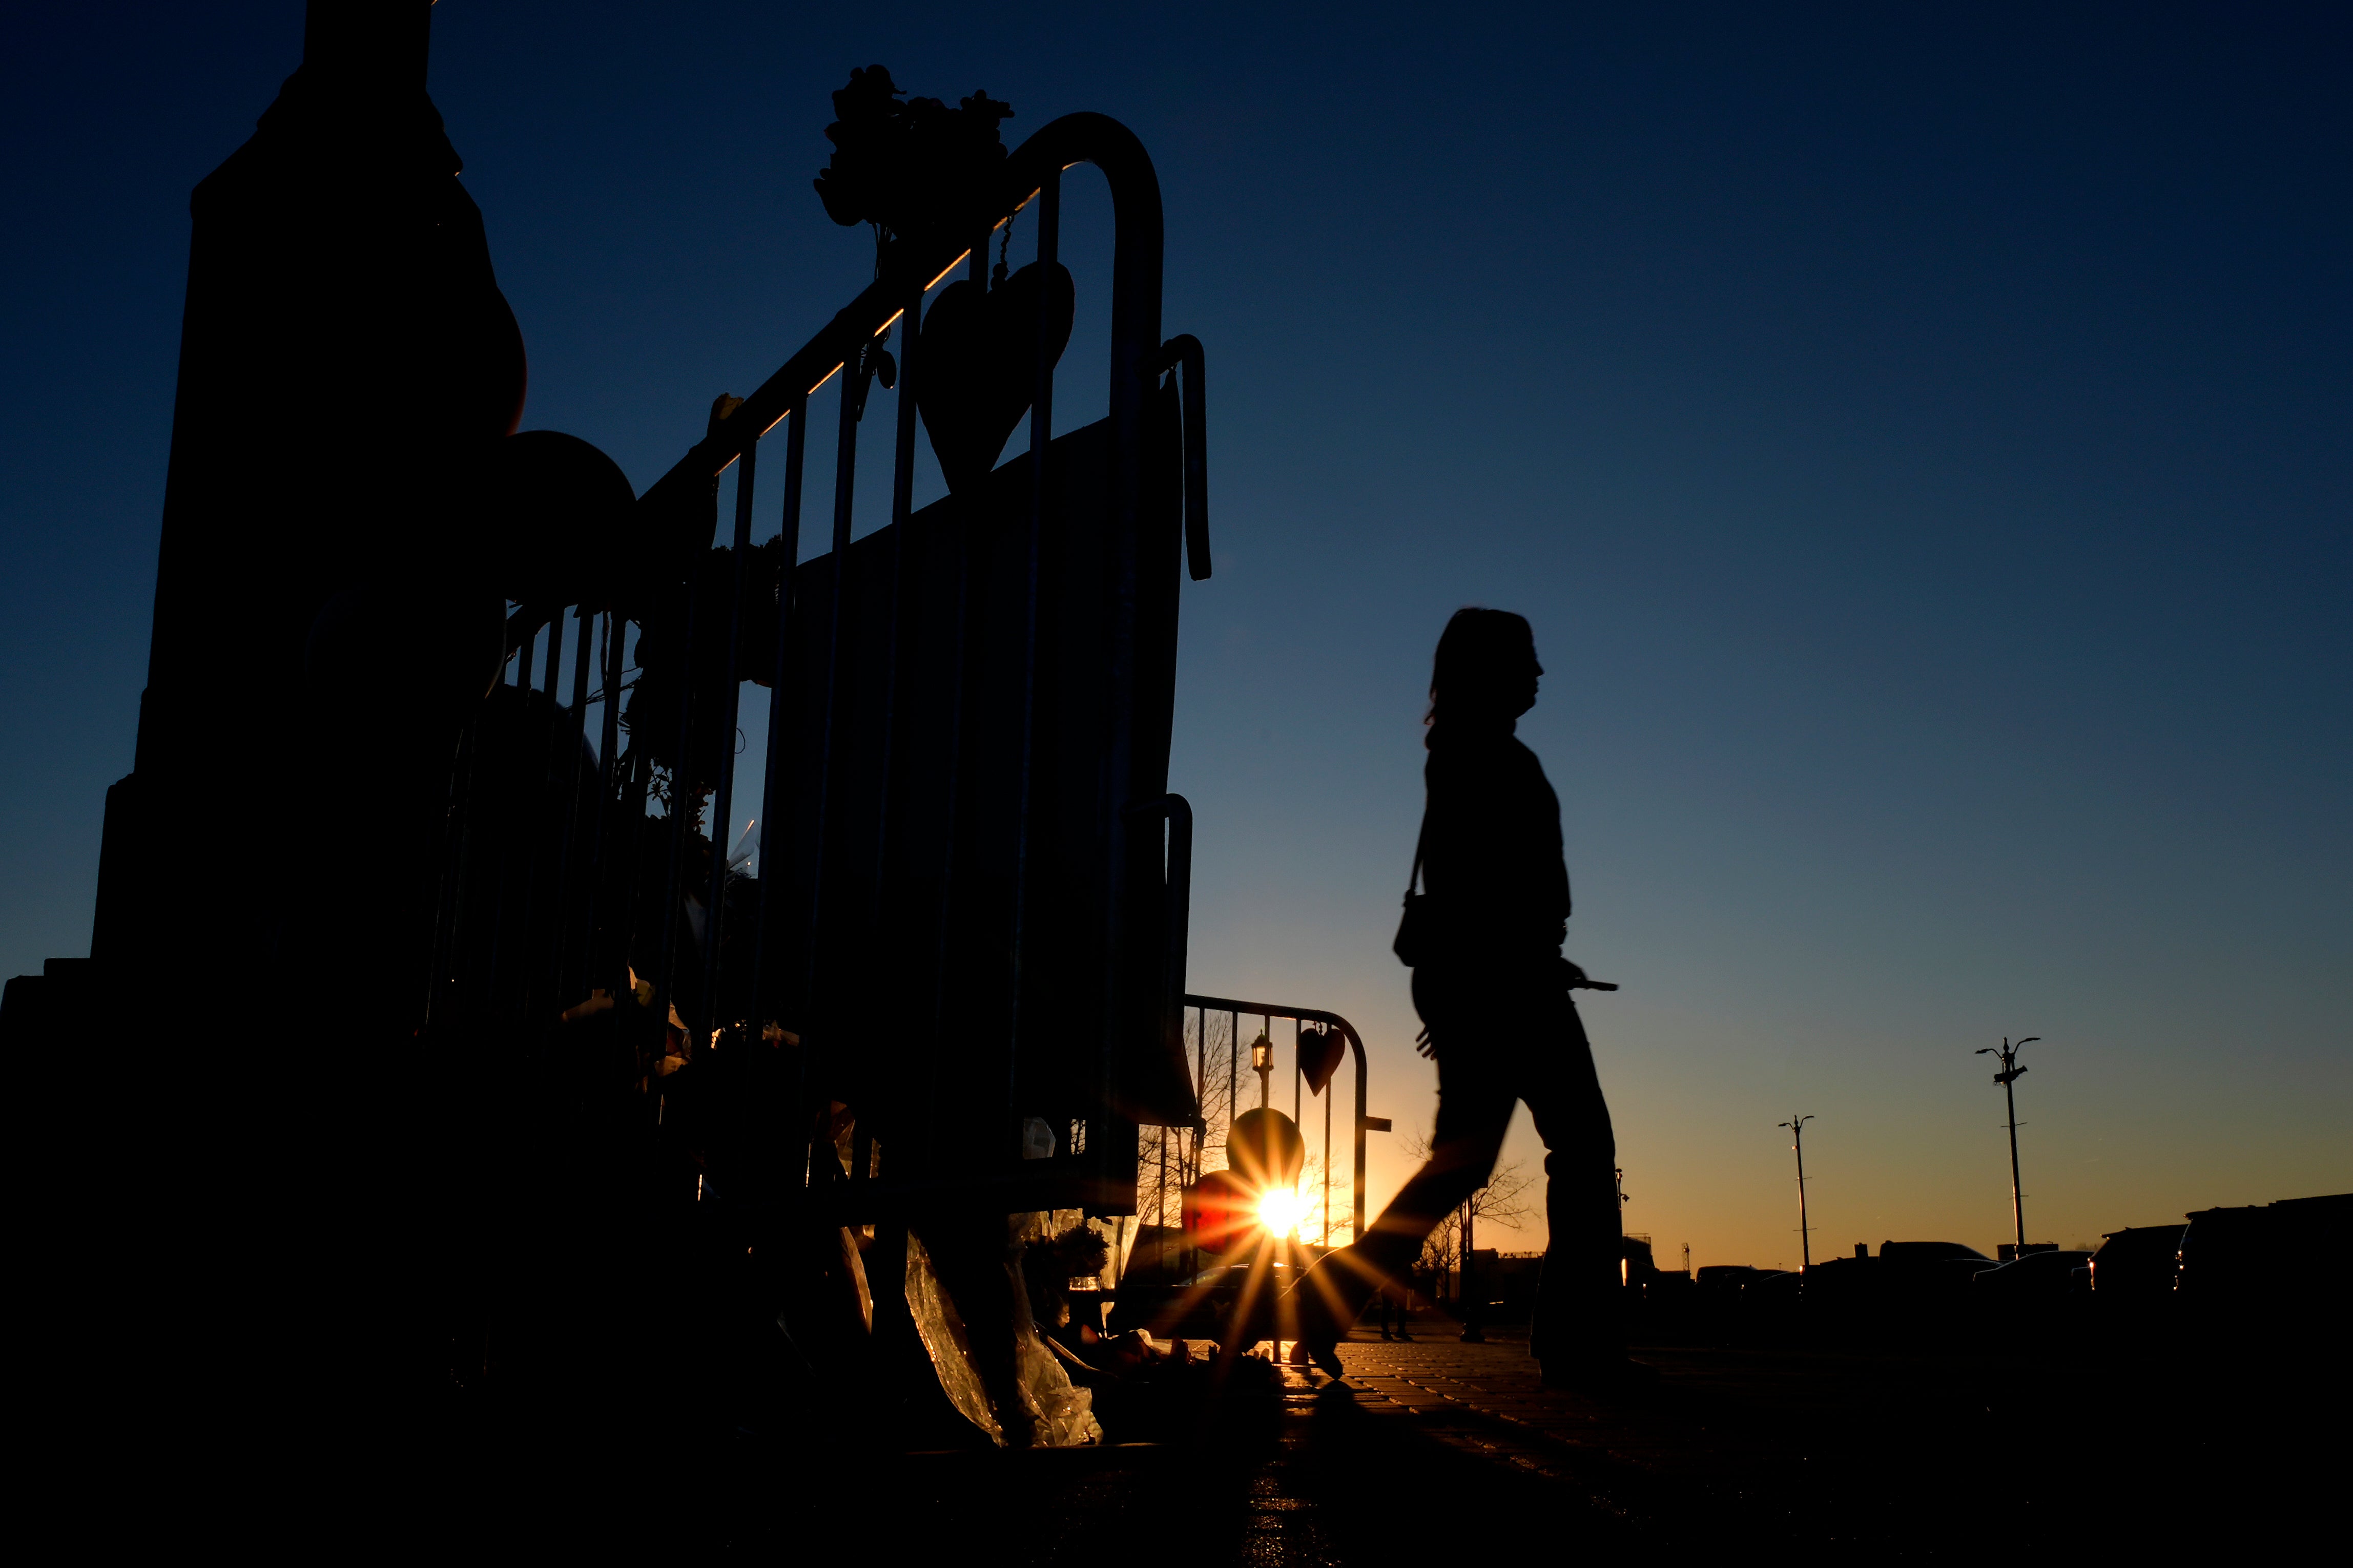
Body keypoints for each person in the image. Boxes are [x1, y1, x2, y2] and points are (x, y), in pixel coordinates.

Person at [1288, 608, 1650, 1391]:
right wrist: (1519, 966)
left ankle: (1322, 1303)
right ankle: (1577, 1344)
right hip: (1512, 985)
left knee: (1464, 1167)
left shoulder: (1466, 753)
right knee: (1582, 1151)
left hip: (1502, 980)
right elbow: (1479, 887)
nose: (1540, 674)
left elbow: (1477, 891)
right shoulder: (1484, 757)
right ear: (1489, 670)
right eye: (1526, 660)